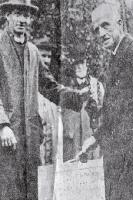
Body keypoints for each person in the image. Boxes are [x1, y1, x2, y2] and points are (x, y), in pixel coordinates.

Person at [77, 2, 133, 200]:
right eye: (96, 30)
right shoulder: (114, 58)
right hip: (116, 161)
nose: (101, 33)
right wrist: (95, 138)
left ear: (119, 23)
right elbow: (116, 114)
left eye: (106, 25)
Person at [0, 0, 63, 199]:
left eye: (26, 16)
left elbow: (50, 86)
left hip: (30, 139)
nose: (22, 20)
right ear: (7, 15)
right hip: (6, 137)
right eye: (17, 13)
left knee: (30, 193)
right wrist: (3, 125)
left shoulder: (33, 51)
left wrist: (79, 97)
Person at [61, 55, 104, 162]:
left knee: (92, 163)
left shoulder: (97, 85)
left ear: (86, 65)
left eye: (82, 63)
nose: (79, 67)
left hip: (90, 132)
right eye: (76, 64)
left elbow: (104, 109)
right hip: (72, 134)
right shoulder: (66, 86)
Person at [37, 37, 58, 165]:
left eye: (49, 56)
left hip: (51, 153)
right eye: (43, 56)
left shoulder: (51, 85)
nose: (46, 60)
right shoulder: (28, 84)